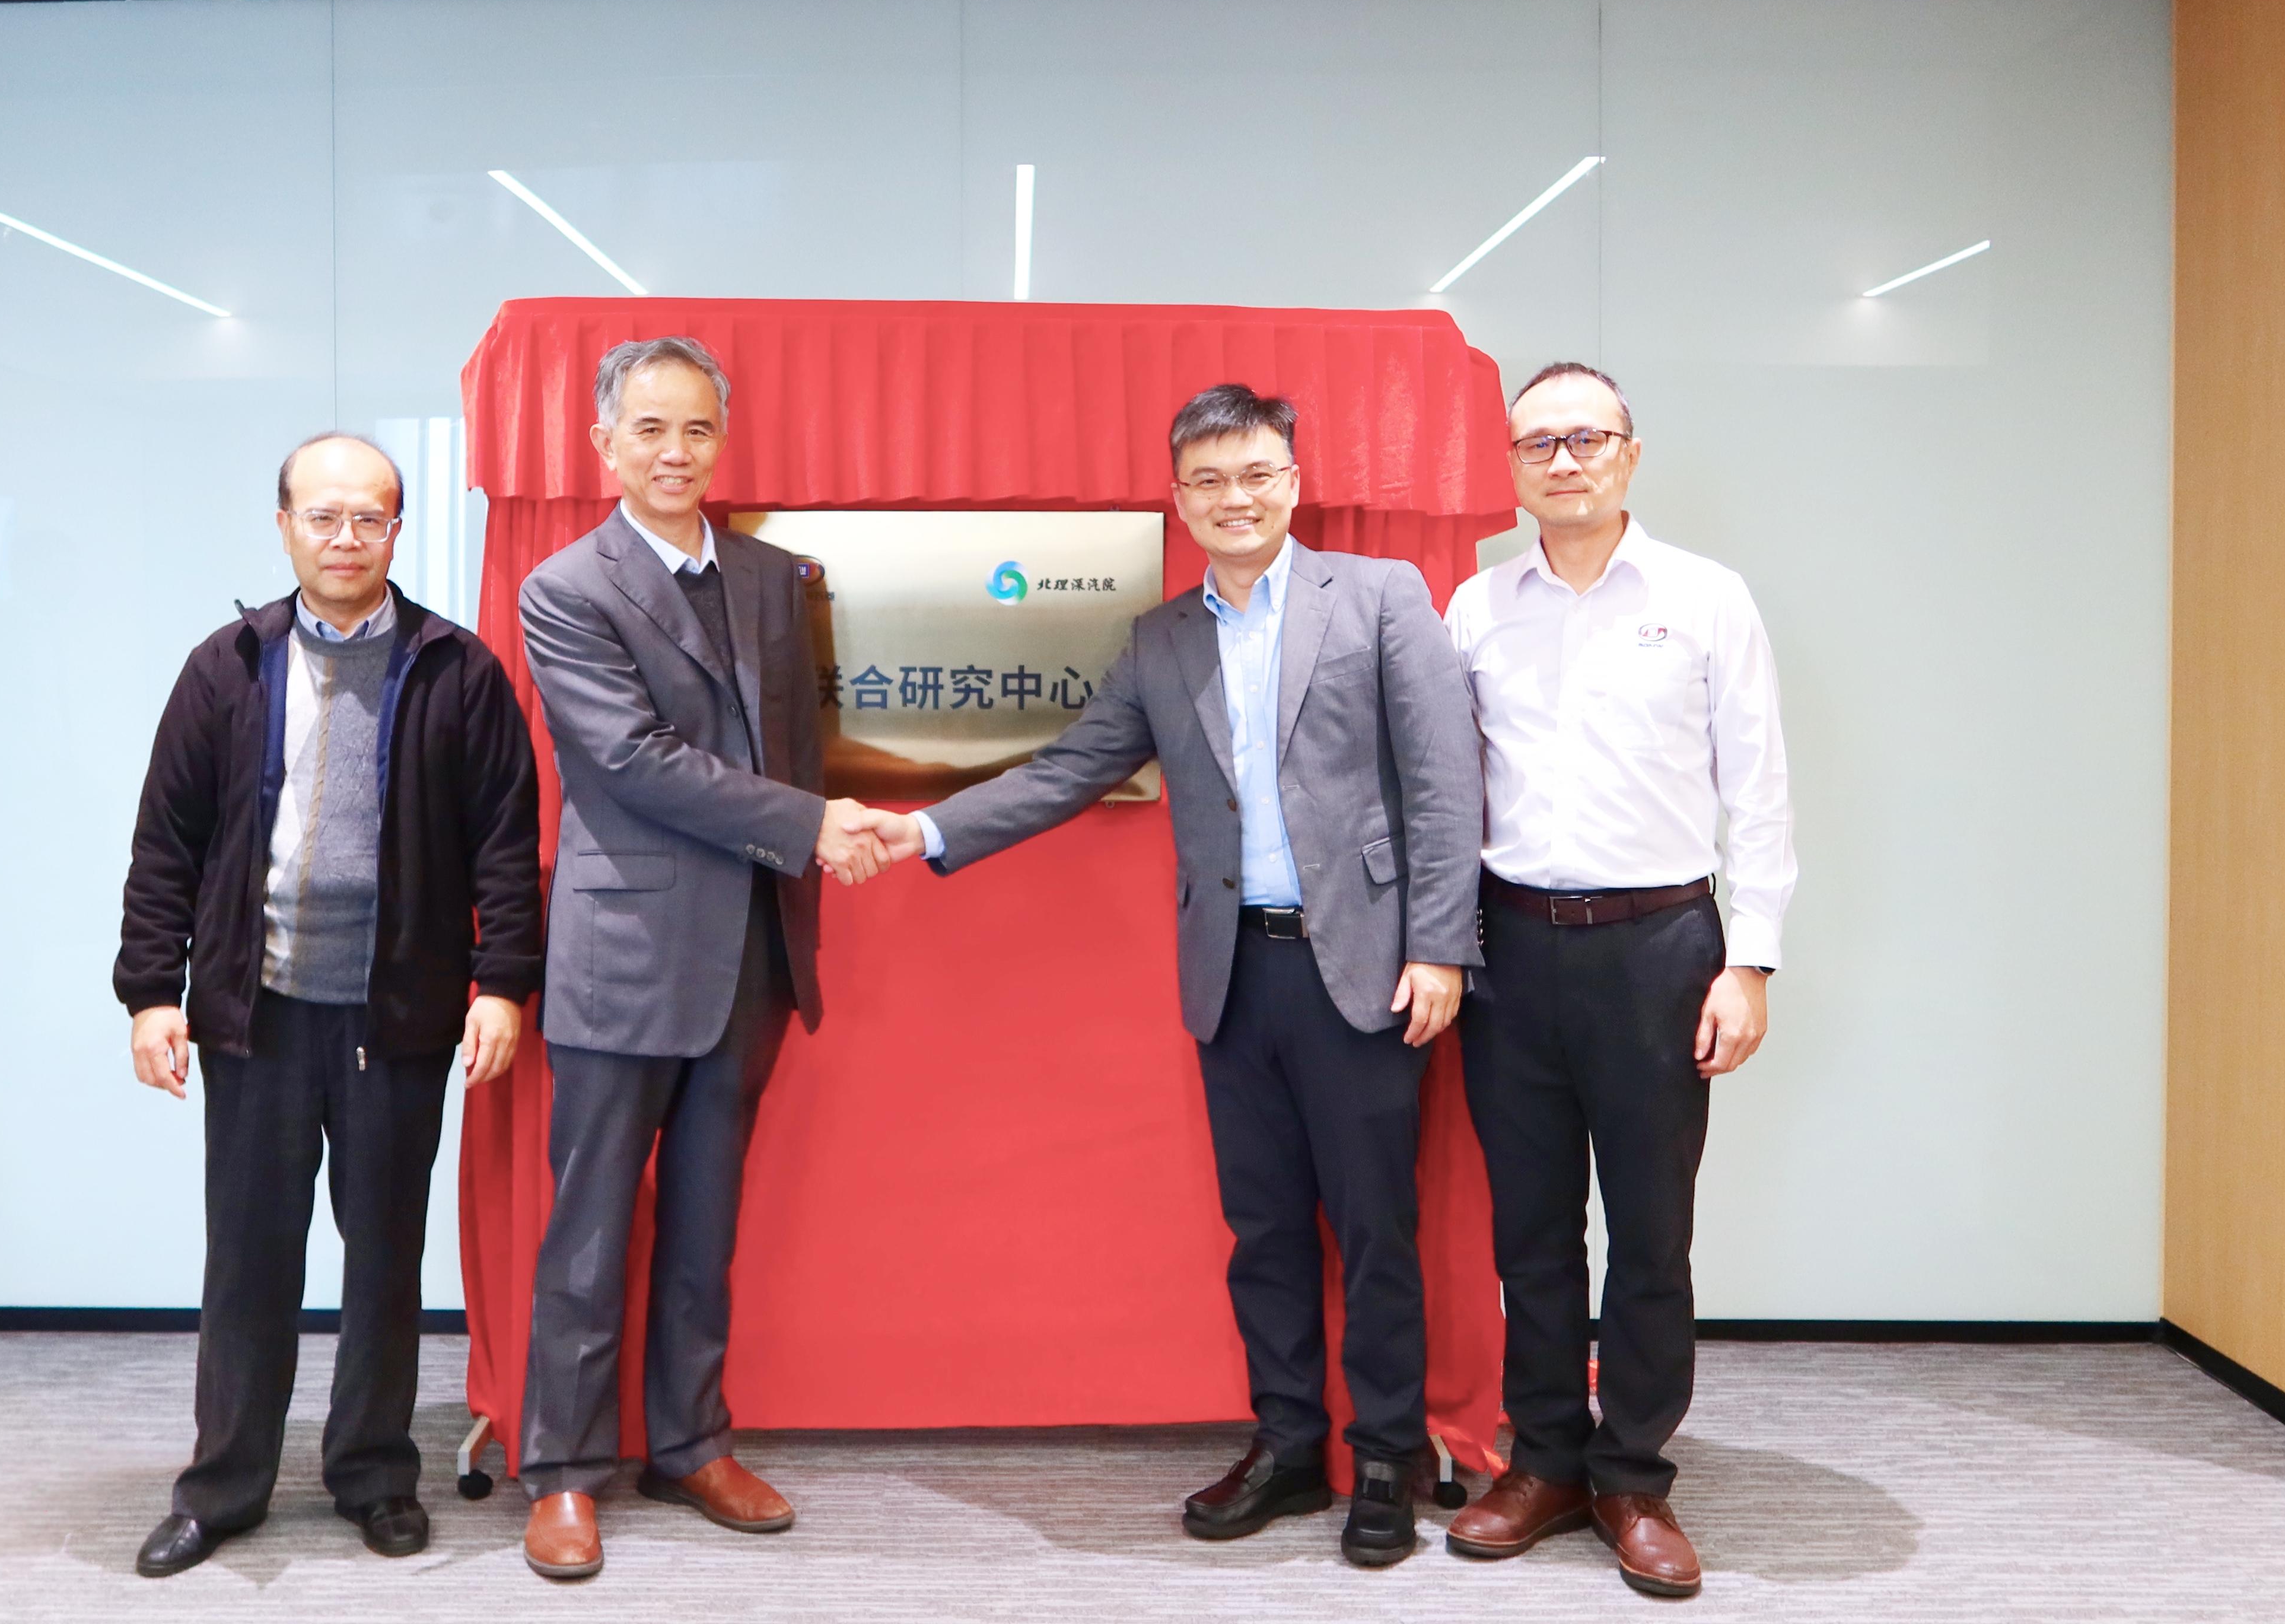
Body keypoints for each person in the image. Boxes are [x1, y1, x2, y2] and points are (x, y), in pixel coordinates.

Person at [850, 383, 1482, 1568]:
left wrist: (1440, 946)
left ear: (1292, 482)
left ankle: (1387, 1457)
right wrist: (924, 830)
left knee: (1377, 1231)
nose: (1235, 499)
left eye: (1255, 475)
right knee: (1264, 1231)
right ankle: (1288, 1446)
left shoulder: (1381, 597)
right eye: (1209, 481)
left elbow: (1447, 784)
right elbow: (1069, 771)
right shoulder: (1163, 640)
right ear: (1180, 499)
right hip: (1231, 974)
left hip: (1366, 972)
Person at [114, 432, 544, 1578]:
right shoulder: (227, 667)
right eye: (323, 516)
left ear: (397, 531)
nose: (345, 538)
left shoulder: (456, 672)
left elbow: (506, 845)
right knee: (248, 1261)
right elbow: (167, 843)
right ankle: (224, 1486)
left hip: (396, 1019)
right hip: (257, 1013)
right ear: (285, 526)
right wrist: (152, 993)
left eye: (369, 518)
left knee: (383, 1260)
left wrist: (502, 982)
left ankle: (374, 1475)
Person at [513, 336, 890, 1581]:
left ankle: (689, 1443)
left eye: (697, 431)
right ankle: (566, 1472)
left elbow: (796, 745)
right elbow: (630, 761)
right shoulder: (567, 588)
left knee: (705, 1220)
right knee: (588, 1230)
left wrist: (814, 841)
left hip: (751, 957)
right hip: (625, 954)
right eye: (651, 430)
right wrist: (809, 825)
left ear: (721, 442)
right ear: (604, 445)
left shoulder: (774, 578)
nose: (675, 453)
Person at [1435, 362, 1794, 1599]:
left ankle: (1633, 1475)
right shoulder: (1476, 607)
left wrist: (1750, 961)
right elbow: (1446, 792)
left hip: (1659, 950)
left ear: (1631, 454)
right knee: (1531, 1233)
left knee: (1651, 1231)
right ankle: (1544, 1462)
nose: (1566, 461)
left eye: (1588, 438)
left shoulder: (1705, 598)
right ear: (1513, 468)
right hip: (1510, 951)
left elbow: (1759, 789)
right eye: (1540, 444)